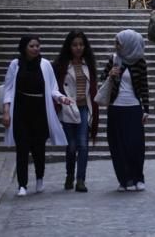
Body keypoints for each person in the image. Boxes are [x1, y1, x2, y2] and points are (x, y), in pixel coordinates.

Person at [2, 35, 72, 197]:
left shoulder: (45, 65)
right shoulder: (15, 64)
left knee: (38, 148)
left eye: (37, 46)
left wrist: (61, 98)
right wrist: (6, 111)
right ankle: (22, 184)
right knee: (22, 148)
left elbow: (53, 88)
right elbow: (8, 88)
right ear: (24, 48)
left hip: (40, 111)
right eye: (31, 46)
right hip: (21, 110)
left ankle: (39, 178)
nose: (35, 49)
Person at [101, 29, 149, 192]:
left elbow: (144, 87)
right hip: (115, 107)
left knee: (135, 145)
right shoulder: (114, 59)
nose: (116, 46)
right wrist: (110, 74)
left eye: (118, 43)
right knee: (117, 144)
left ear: (129, 44)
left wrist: (146, 109)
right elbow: (102, 80)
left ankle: (138, 177)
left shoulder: (140, 62)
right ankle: (124, 179)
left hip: (134, 107)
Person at [53, 30, 99, 192]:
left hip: (84, 108)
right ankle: (70, 175)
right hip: (67, 108)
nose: (78, 48)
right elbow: (55, 87)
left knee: (83, 145)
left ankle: (81, 180)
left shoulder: (89, 65)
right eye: (74, 45)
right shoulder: (61, 66)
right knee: (71, 146)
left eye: (81, 44)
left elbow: (93, 89)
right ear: (69, 47)